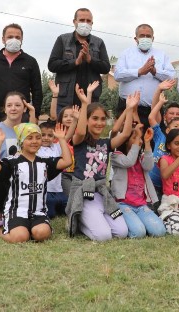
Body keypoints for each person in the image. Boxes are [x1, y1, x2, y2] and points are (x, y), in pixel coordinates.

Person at [66, 85, 137, 241]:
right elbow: (81, 131)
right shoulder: (79, 141)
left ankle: (95, 219)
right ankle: (77, 220)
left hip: (102, 193)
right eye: (95, 118)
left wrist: (130, 109)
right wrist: (85, 104)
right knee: (104, 236)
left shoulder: (106, 143)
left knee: (121, 232)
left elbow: (125, 134)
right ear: (87, 120)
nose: (99, 123)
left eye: (103, 119)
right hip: (84, 194)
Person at [0, 123, 72, 243]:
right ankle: (1, 228)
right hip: (16, 211)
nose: (34, 141)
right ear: (21, 141)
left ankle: (29, 228)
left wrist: (62, 139)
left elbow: (67, 161)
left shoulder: (44, 163)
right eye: (30, 138)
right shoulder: (12, 162)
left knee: (42, 234)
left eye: (38, 137)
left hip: (38, 211)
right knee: (20, 237)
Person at [0, 92, 38, 216]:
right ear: (4, 109)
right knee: (0, 173)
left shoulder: (26, 130)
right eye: (9, 105)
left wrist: (32, 113)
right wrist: (2, 165)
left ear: (24, 108)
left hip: (19, 179)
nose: (13, 108)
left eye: (17, 105)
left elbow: (34, 137)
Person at [48, 8, 110, 114]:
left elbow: (106, 68)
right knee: (64, 130)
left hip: (90, 101)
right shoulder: (63, 40)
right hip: (66, 101)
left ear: (92, 23)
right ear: (74, 21)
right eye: (81, 20)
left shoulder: (98, 42)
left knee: (86, 131)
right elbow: (52, 65)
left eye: (88, 21)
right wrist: (75, 62)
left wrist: (90, 59)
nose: (85, 23)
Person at [114, 23, 175, 128]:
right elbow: (118, 75)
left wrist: (155, 72)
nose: (145, 38)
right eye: (142, 36)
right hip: (128, 107)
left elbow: (171, 77)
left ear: (153, 38)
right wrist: (139, 71)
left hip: (153, 109)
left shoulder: (161, 55)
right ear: (136, 38)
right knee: (127, 140)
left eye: (148, 36)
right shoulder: (126, 54)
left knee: (153, 140)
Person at [111, 123, 166, 238]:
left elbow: (149, 166)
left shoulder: (141, 157)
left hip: (141, 205)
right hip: (123, 204)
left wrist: (147, 143)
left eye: (139, 138)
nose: (139, 140)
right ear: (125, 140)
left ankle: (138, 223)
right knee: (138, 233)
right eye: (135, 138)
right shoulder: (116, 156)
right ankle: (132, 225)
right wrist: (137, 139)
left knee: (160, 231)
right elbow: (128, 161)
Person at [0, 23, 42, 129]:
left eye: (17, 37)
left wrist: (36, 114)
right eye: (10, 37)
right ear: (3, 39)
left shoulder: (31, 61)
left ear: (22, 40)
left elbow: (37, 90)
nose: (14, 40)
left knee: (21, 145)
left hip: (22, 116)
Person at [37, 121, 68, 219]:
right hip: (44, 192)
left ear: (54, 137)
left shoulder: (57, 148)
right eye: (43, 135)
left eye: (50, 135)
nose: (46, 138)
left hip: (58, 190)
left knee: (68, 210)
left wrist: (61, 137)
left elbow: (67, 137)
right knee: (50, 214)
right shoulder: (36, 149)